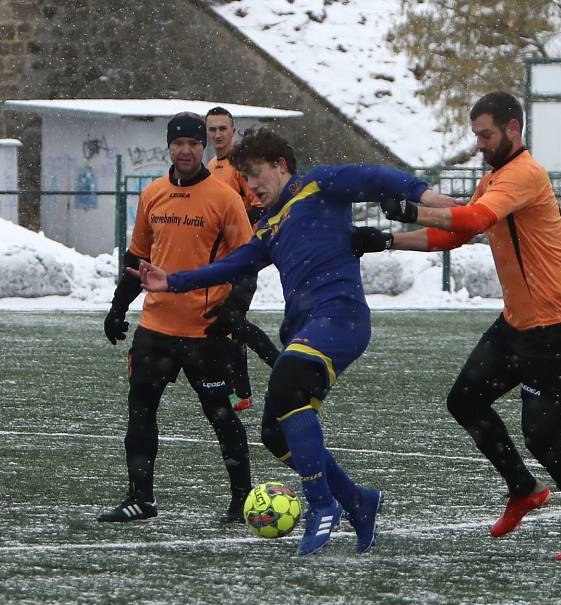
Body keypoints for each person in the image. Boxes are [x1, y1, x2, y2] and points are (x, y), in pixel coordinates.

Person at [130, 126, 457, 556]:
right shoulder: (269, 227)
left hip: (341, 319)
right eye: (244, 179)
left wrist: (426, 197)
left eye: (256, 175)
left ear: (281, 167)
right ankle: (358, 501)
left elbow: (377, 177)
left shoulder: (318, 185)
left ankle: (322, 504)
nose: (250, 186)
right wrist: (171, 280)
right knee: (274, 434)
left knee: (286, 382)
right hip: (309, 329)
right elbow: (232, 264)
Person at [352, 91, 561, 561]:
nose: (479, 143)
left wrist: (411, 209)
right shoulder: (497, 176)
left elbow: (474, 217)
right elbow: (456, 234)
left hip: (557, 328)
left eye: (486, 134)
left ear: (512, 129)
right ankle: (522, 488)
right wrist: (386, 239)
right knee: (465, 400)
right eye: (476, 134)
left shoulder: (524, 174)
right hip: (518, 324)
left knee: (542, 436)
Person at [99, 112, 256, 524]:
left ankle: (243, 500)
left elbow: (248, 263)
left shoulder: (225, 198)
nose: (185, 150)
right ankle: (141, 499)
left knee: (220, 415)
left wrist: (234, 311)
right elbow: (139, 258)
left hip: (205, 330)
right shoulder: (153, 193)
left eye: (193, 143)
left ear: (203, 146)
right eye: (178, 143)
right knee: (140, 411)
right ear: (168, 146)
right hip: (156, 328)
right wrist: (118, 306)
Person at [205, 106, 279, 412]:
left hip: (244, 256)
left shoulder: (240, 166)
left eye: (223, 128)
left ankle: (281, 365)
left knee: (230, 319)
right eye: (212, 129)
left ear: (233, 132)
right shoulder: (211, 165)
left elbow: (259, 206)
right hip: (223, 260)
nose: (218, 134)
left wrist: (235, 226)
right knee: (229, 324)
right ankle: (242, 393)